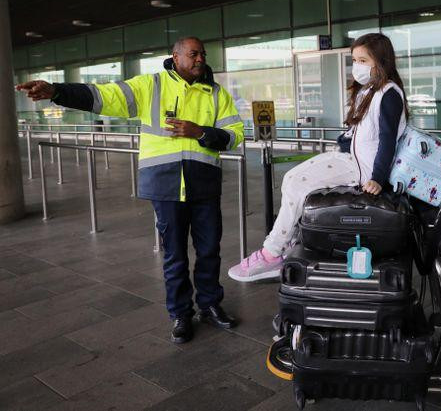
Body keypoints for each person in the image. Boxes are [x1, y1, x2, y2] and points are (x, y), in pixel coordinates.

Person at [16, 37, 244, 344]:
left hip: (204, 186)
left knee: (209, 250)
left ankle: (210, 305)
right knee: (175, 255)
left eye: (202, 53)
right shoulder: (150, 86)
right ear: (175, 57)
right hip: (165, 185)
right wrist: (57, 91)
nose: (200, 58)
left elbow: (235, 136)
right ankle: (180, 314)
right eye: (193, 54)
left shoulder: (217, 94)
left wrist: (200, 132)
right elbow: (103, 95)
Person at [228, 33, 409, 282]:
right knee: (292, 179)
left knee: (298, 184)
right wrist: (344, 141)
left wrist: (377, 178)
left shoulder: (389, 93)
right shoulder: (368, 91)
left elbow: (387, 140)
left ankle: (272, 254)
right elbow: (360, 132)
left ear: (381, 61)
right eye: (354, 60)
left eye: (363, 60)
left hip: (362, 169)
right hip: (350, 158)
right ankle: (284, 245)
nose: (357, 66)